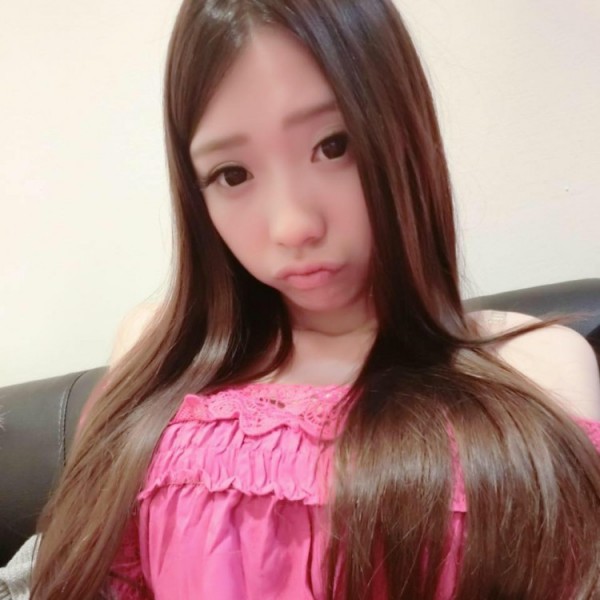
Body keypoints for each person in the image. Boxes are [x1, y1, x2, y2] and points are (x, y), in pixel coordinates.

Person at [28, 1, 600, 598]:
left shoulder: (540, 368)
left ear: (403, 132)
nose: (293, 226)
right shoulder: (159, 353)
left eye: (334, 145)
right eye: (232, 174)